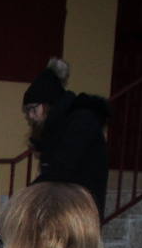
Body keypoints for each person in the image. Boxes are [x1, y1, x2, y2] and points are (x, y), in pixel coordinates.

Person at [23, 57, 110, 217]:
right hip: (67, 209)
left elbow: (61, 168)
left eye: (33, 109)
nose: (31, 116)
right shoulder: (57, 128)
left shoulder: (81, 121)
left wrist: (27, 195)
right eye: (27, 111)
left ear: (47, 105)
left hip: (80, 212)